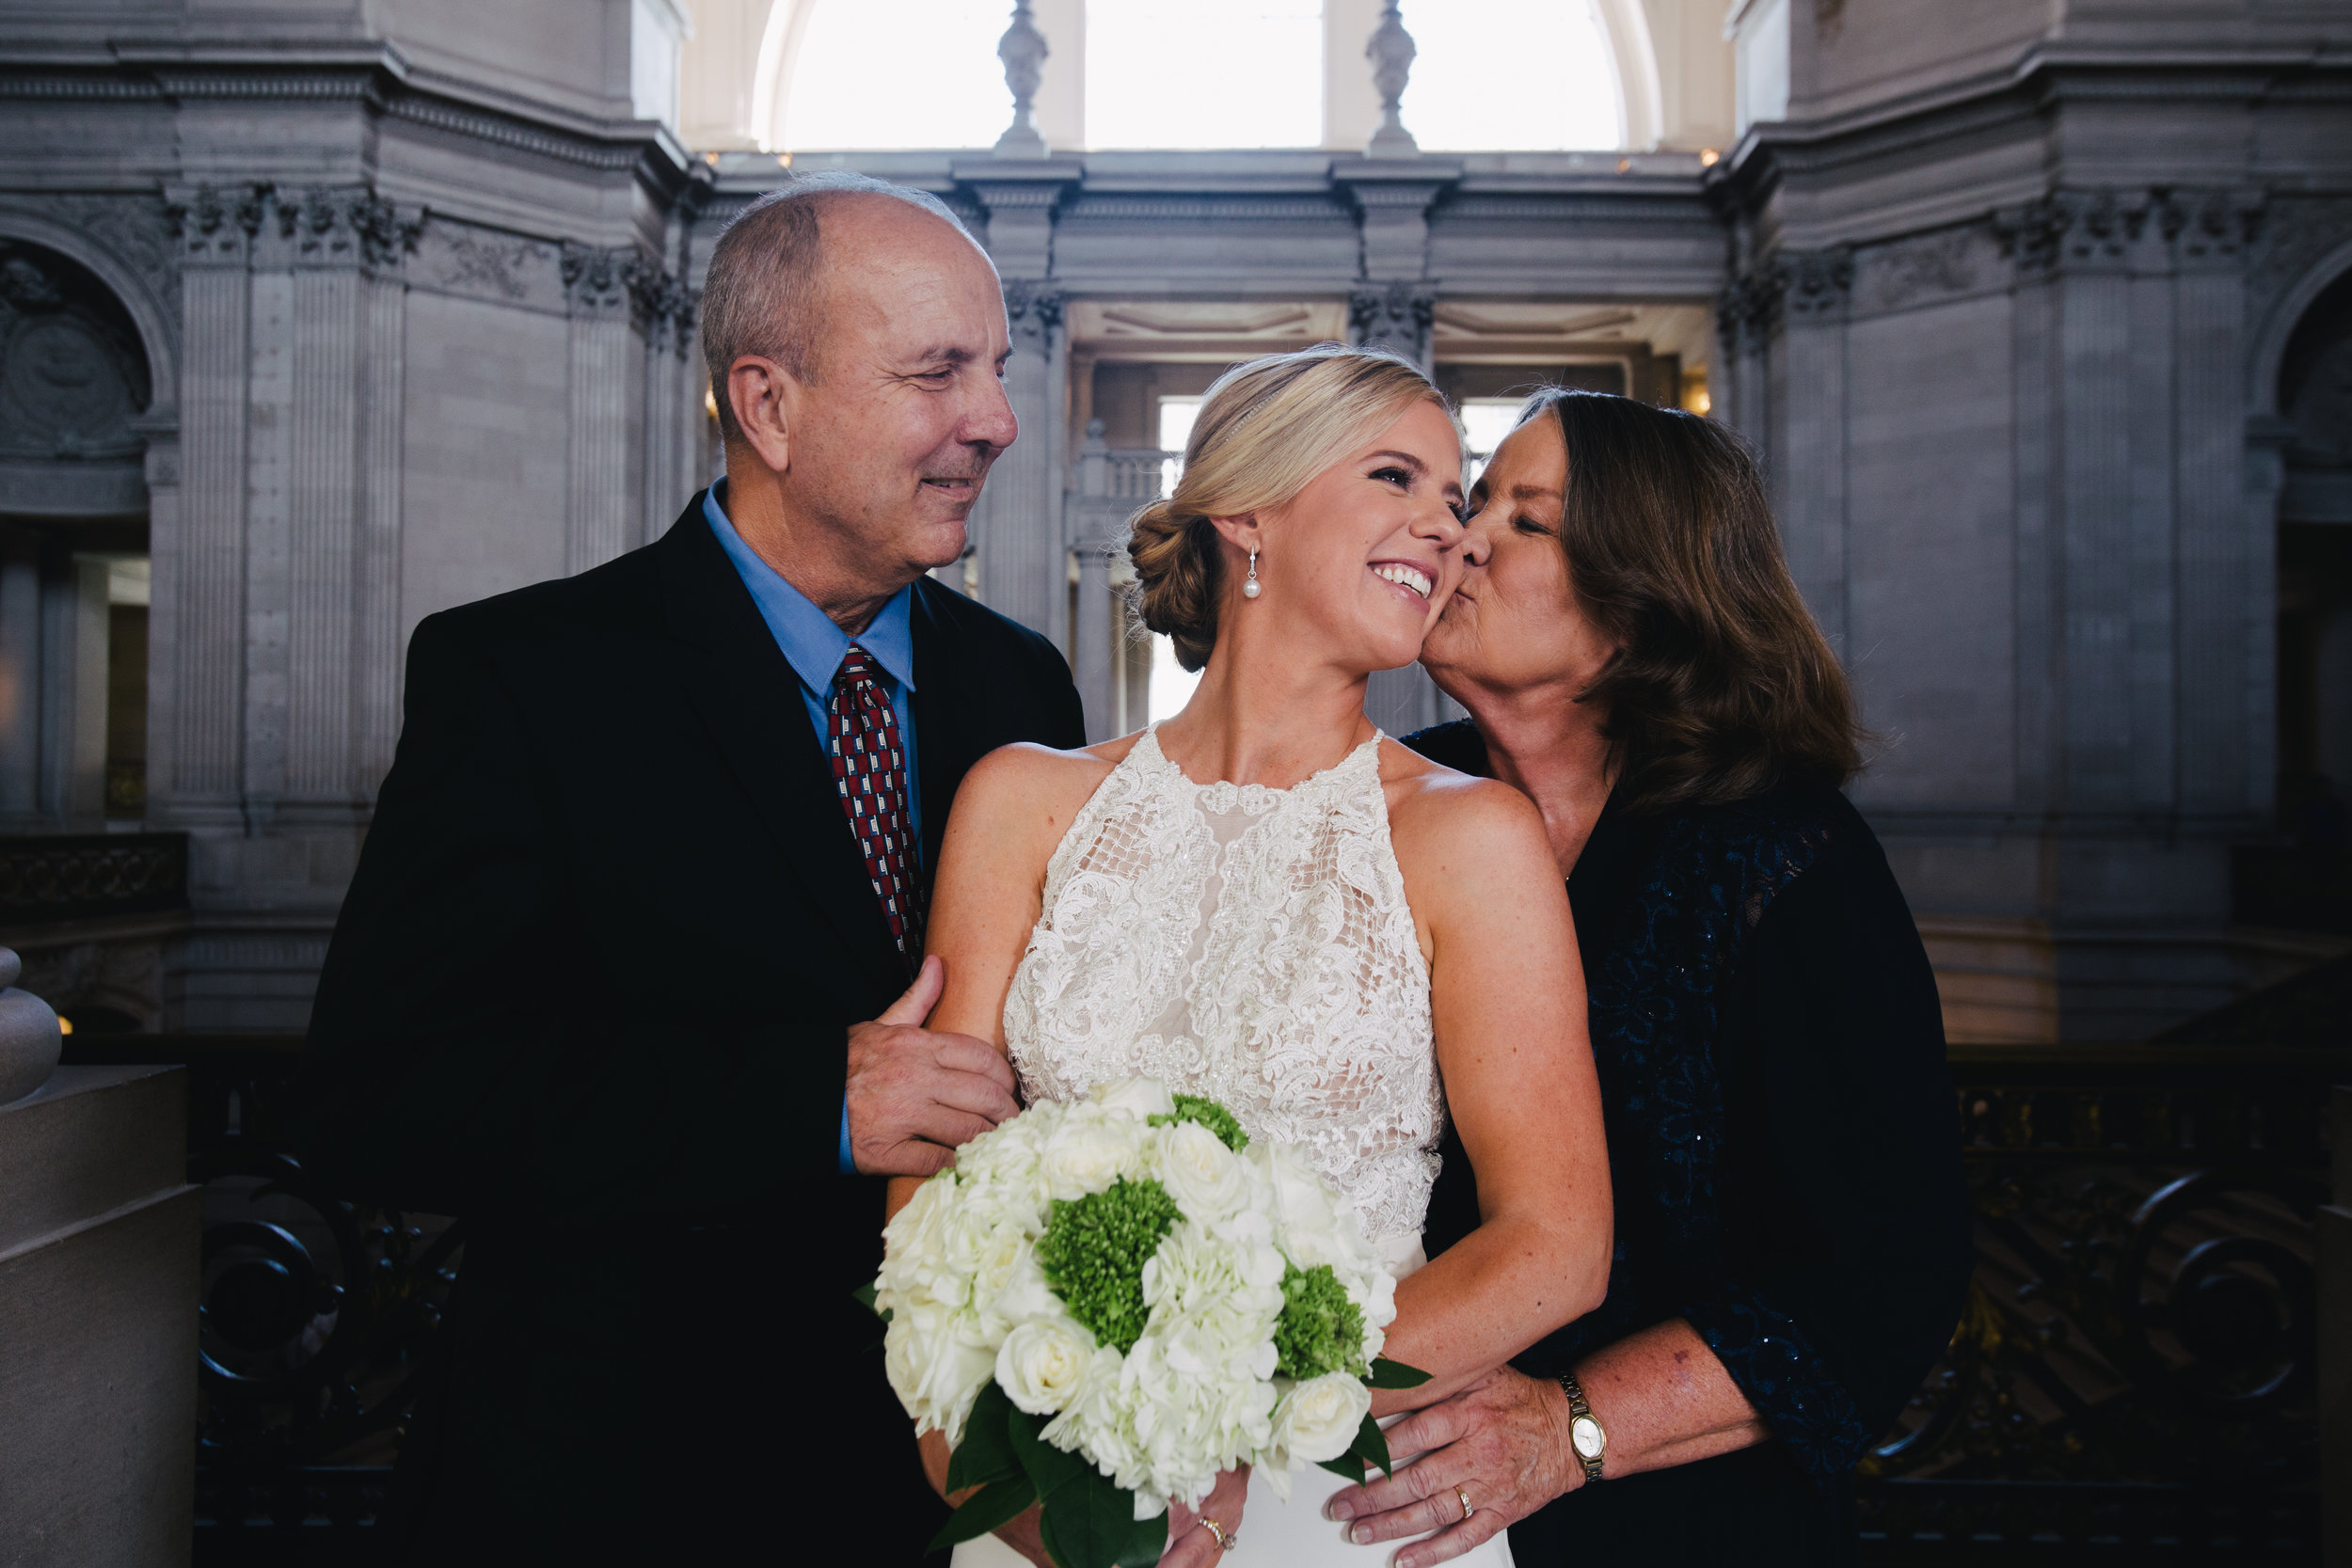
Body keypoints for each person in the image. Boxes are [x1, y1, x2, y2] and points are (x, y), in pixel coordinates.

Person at [290, 173, 1085, 1564]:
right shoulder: (525, 677)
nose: (998, 421)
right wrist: (810, 1100)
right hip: (620, 1486)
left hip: (967, 1487)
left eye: (997, 370)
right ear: (766, 404)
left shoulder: (1022, 683)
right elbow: (381, 1092)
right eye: (935, 372)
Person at [895, 345, 1616, 1567]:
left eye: (1456, 496)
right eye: (1399, 475)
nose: (1445, 528)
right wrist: (1021, 1498)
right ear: (1246, 512)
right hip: (1050, 1506)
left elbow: (1556, 1243)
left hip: (1340, 1508)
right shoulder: (1022, 798)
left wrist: (1234, 1422)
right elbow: (930, 1212)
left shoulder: (1468, 833)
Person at [1327, 390, 1972, 1566]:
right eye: (1475, 503)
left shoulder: (1783, 856)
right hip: (1369, 1493)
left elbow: (1888, 1267)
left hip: (1682, 1522)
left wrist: (1571, 1425)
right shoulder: (1384, 801)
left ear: (1640, 605)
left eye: (1526, 520)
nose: (1460, 539)